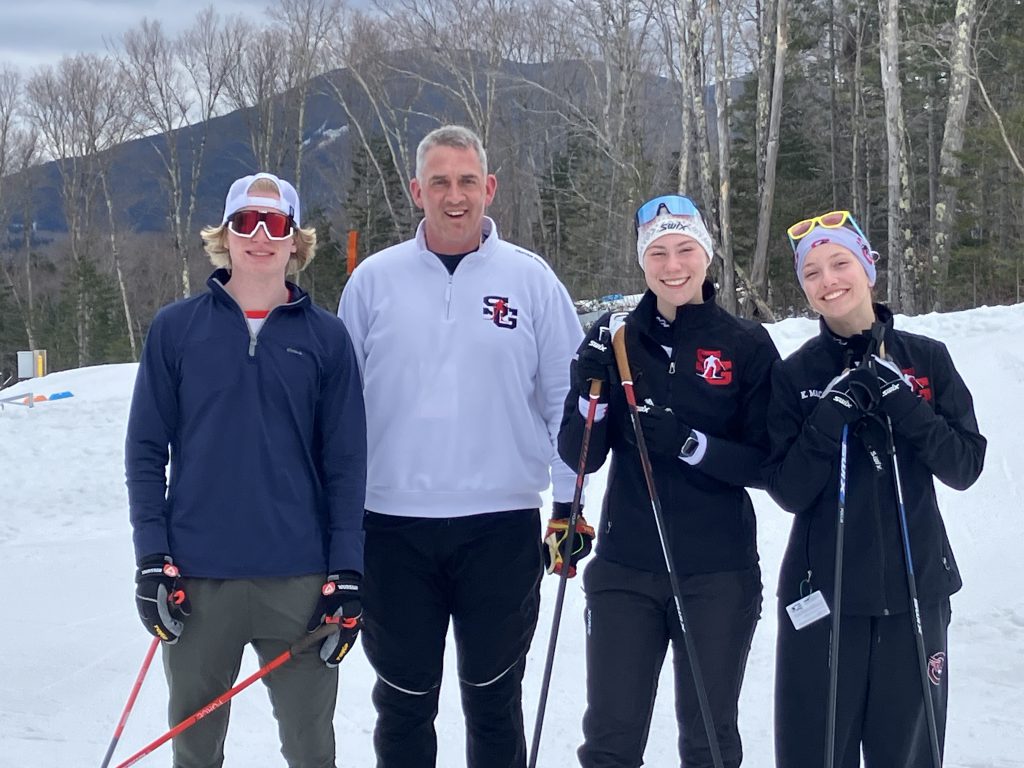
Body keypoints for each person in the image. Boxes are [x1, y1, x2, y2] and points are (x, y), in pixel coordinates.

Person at [337, 125, 583, 768]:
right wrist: (335, 522)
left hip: (498, 525)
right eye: (440, 182)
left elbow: (566, 400)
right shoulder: (372, 282)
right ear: (417, 190)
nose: (455, 196)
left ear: (489, 188)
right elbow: (338, 412)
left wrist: (568, 503)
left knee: (494, 702)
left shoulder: (531, 281)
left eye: (467, 181)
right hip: (392, 527)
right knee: (403, 703)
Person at [125, 172, 367, 768]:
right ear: (225, 236)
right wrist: (152, 559)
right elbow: (145, 452)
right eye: (246, 223)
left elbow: (346, 464)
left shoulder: (327, 338)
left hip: (301, 581)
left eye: (276, 224)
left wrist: (348, 573)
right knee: (195, 749)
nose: (260, 236)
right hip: (198, 580)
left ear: (295, 241)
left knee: (312, 750)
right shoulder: (176, 330)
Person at [558, 194, 780, 768]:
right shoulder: (617, 340)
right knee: (610, 738)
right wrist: (589, 391)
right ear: (642, 261)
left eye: (685, 249)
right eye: (658, 252)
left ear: (707, 255)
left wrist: (690, 444)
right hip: (627, 567)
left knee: (708, 736)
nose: (673, 264)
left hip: (717, 572)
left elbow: (766, 461)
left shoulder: (746, 344)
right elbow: (580, 457)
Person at [766, 209, 987, 767]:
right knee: (816, 751)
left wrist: (904, 404)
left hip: (915, 588)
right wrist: (828, 417)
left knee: (907, 752)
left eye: (839, 262)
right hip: (824, 594)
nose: (828, 280)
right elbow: (788, 490)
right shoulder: (796, 375)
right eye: (811, 272)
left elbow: (964, 466)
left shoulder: (925, 359)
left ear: (868, 267)